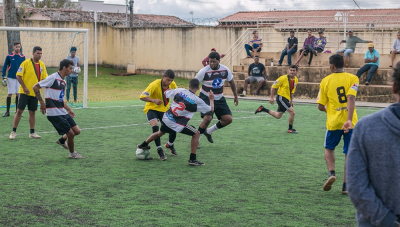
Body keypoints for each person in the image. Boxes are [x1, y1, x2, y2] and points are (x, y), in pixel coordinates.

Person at [347, 61, 400, 227]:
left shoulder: (365, 127)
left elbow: (356, 186)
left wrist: (388, 221)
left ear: (393, 87)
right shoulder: (365, 127)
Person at [137, 79, 214, 166]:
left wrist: (173, 91)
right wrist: (211, 99)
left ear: (188, 86)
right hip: (177, 123)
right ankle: (192, 159)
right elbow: (211, 109)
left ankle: (143, 144)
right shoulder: (197, 100)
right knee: (196, 134)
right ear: (198, 88)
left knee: (160, 133)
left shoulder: (179, 91)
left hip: (167, 118)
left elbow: (166, 93)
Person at [316, 54, 359, 194]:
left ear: (332, 66)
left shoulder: (325, 81)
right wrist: (348, 119)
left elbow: (320, 106)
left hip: (334, 123)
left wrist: (330, 110)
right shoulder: (353, 78)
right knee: (349, 153)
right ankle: (346, 186)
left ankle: (332, 173)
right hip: (350, 122)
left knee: (329, 148)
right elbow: (351, 97)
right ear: (344, 65)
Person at [32, 59, 84, 159]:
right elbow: (35, 87)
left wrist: (69, 109)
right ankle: (72, 154)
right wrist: (42, 103)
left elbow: (61, 100)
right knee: (71, 133)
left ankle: (61, 140)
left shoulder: (63, 81)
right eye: (70, 68)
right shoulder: (52, 78)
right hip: (54, 113)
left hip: (62, 111)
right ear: (64, 68)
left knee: (77, 131)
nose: (71, 70)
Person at [195, 51, 238, 147]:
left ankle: (209, 131)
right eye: (210, 61)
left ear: (219, 60)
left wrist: (235, 96)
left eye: (214, 62)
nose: (211, 64)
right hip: (206, 97)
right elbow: (194, 83)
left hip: (219, 98)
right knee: (208, 118)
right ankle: (197, 138)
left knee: (228, 119)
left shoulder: (225, 70)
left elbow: (231, 82)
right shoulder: (204, 71)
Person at [9, 46, 48, 140]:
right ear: (33, 53)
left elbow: (44, 78)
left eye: (41, 53)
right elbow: (18, 75)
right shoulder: (25, 63)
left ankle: (32, 133)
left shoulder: (42, 65)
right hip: (24, 92)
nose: (39, 55)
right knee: (19, 111)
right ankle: (13, 131)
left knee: (32, 112)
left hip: (35, 93)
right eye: (38, 53)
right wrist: (24, 87)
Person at [139, 69, 178, 160]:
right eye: (168, 80)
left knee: (173, 126)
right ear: (163, 77)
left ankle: (170, 145)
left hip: (164, 109)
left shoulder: (172, 84)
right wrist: (154, 100)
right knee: (155, 127)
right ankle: (159, 149)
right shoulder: (154, 85)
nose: (169, 82)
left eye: (171, 80)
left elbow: (177, 94)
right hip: (151, 108)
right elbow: (142, 96)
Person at [255, 65, 299, 134]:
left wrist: (291, 101)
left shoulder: (296, 79)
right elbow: (273, 86)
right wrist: (271, 97)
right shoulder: (283, 78)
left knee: (278, 116)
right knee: (292, 112)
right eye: (291, 70)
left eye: (294, 70)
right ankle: (290, 129)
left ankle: (262, 109)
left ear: (297, 71)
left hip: (286, 99)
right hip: (281, 98)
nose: (292, 72)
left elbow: (292, 91)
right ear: (288, 70)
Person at [2, 41, 25, 117]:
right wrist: (4, 77)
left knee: (18, 94)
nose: (18, 48)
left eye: (19, 46)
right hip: (11, 77)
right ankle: (7, 112)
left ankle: (17, 112)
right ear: (13, 47)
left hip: (19, 78)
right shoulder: (9, 56)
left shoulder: (22, 56)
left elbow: (24, 67)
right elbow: (4, 66)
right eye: (16, 47)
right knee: (10, 94)